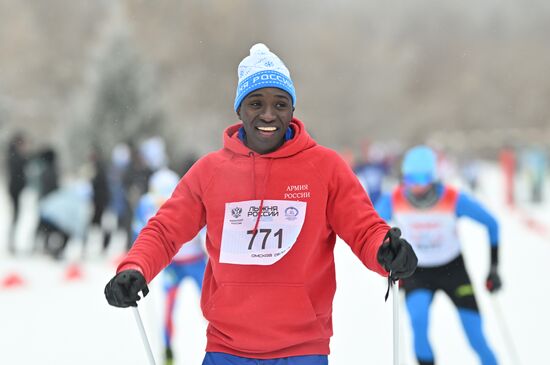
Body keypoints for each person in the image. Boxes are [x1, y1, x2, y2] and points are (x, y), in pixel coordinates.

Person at [105, 43, 417, 365]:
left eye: (280, 104)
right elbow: (165, 230)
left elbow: (363, 227)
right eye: (256, 103)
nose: (269, 115)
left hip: (302, 348)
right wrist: (135, 267)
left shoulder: (324, 167)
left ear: (292, 110)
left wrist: (385, 249)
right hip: (227, 348)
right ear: (239, 110)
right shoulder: (211, 171)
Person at [375, 145, 501, 365]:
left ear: (433, 177)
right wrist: (385, 250)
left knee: (475, 335)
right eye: (411, 179)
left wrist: (493, 268)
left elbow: (492, 224)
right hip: (417, 272)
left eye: (423, 178)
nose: (417, 186)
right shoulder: (394, 199)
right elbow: (370, 226)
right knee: (418, 322)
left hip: (452, 268)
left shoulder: (453, 198)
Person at [132, 168, 207, 365]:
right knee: (169, 309)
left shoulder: (188, 199)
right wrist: (137, 260)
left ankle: (224, 349)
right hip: (173, 265)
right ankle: (167, 351)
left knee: (211, 307)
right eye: (159, 197)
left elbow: (207, 227)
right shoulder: (146, 204)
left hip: (197, 261)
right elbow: (140, 230)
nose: (162, 202)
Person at [6, 132, 28, 254]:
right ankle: (11, 243)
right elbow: (17, 174)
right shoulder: (15, 156)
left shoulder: (15, 155)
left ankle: (12, 242)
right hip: (15, 190)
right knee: (15, 217)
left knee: (16, 217)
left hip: (16, 190)